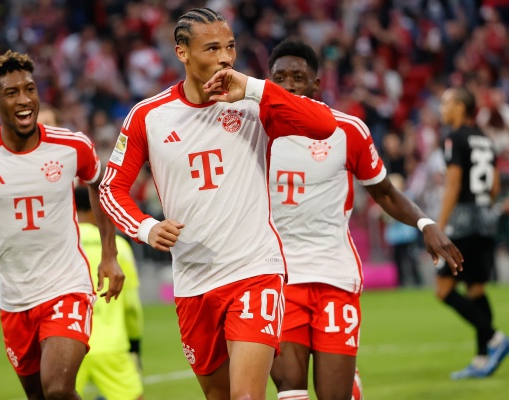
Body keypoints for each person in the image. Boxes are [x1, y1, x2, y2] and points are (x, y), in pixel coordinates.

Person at [100, 8, 337, 400]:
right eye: (212, 48)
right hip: (194, 282)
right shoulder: (149, 117)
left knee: (246, 396)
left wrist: (255, 87)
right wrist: (146, 227)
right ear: (182, 52)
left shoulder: (252, 103)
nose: (226, 57)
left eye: (230, 47)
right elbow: (112, 189)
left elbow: (324, 125)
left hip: (254, 270)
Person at [266, 38, 463, 400]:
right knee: (290, 389)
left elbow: (384, 192)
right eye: (280, 78)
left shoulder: (347, 130)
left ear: (316, 84)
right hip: (279, 278)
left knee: (334, 395)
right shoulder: (253, 131)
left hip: (334, 277)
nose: (289, 85)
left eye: (298, 77)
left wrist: (426, 223)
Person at [0, 50, 124, 400]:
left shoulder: (71, 145)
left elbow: (100, 185)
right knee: (39, 397)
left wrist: (110, 254)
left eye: (30, 89)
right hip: (15, 300)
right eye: (12, 93)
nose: (24, 99)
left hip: (66, 287)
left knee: (57, 389)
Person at [437, 86, 509, 380]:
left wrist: (439, 225)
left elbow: (453, 185)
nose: (442, 108)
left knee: (444, 291)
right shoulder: (485, 139)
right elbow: (494, 186)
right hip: (486, 221)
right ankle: (482, 359)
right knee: (476, 290)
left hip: (463, 222)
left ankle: (494, 338)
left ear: (460, 107)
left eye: (446, 103)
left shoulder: (454, 138)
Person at [73, 185, 144, 400]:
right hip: (110, 344)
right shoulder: (117, 247)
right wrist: (135, 344)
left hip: (68, 343)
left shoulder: (60, 245)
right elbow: (131, 304)